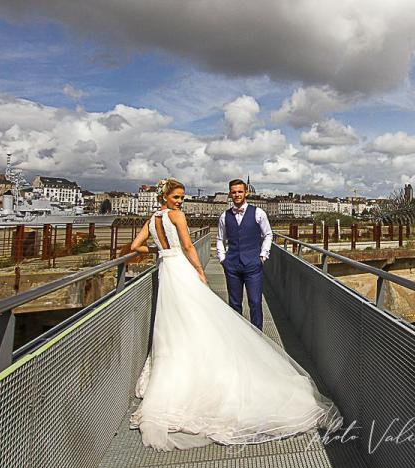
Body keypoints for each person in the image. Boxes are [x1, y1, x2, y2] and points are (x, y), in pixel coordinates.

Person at [127, 178, 340, 451]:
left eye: (182, 197)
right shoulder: (177, 216)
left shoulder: (151, 219)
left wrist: (160, 252)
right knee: (198, 315)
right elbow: (191, 247)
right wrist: (201, 271)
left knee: (173, 322)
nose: (180, 201)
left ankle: (180, 367)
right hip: (183, 269)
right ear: (166, 196)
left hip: (167, 271)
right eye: (177, 197)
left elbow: (135, 247)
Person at [216, 178, 272, 331]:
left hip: (253, 265)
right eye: (234, 192)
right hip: (232, 266)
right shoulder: (224, 216)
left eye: (240, 191)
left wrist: (263, 255)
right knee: (234, 303)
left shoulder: (258, 213)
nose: (237, 195)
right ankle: (238, 336)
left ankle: (257, 336)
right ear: (230, 194)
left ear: (246, 192)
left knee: (254, 302)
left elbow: (268, 234)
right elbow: (220, 239)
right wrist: (222, 259)